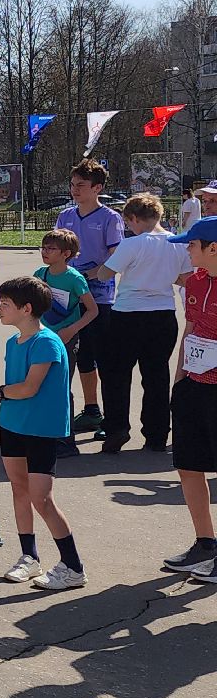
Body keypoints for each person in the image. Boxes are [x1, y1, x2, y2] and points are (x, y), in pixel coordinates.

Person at [0, 276, 86, 590]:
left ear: (27, 308)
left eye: (5, 304)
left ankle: (73, 567)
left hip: (40, 430)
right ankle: (29, 558)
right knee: (19, 490)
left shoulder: (46, 342)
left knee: (42, 499)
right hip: (12, 426)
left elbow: (29, 388)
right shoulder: (12, 342)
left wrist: (2, 392)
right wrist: (7, 396)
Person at [92, 193, 190, 453]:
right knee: (157, 375)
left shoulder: (132, 244)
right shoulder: (177, 242)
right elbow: (183, 277)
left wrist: (96, 269)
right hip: (163, 313)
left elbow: (105, 273)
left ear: (134, 218)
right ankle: (157, 434)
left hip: (128, 313)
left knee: (116, 374)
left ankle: (117, 428)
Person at [161, 216, 217, 579]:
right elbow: (192, 328)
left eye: (192, 244)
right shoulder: (194, 281)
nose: (186, 249)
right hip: (195, 386)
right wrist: (180, 376)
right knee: (188, 465)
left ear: (214, 248)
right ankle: (206, 544)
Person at [58, 159, 124, 438]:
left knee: (99, 357)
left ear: (97, 188)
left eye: (81, 185)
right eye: (73, 185)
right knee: (75, 357)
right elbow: (57, 250)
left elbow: (117, 256)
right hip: (67, 298)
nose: (75, 190)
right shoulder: (66, 216)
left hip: (98, 300)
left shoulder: (110, 218)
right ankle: (91, 410)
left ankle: (111, 419)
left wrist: (92, 275)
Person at [34, 228, 100, 456]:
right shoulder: (40, 274)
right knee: (39, 384)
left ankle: (66, 441)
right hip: (42, 337)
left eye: (51, 248)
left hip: (66, 339)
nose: (45, 252)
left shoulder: (74, 278)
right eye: (44, 247)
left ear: (66, 253)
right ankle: (44, 434)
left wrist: (71, 329)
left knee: (61, 387)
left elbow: (92, 310)